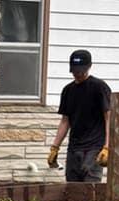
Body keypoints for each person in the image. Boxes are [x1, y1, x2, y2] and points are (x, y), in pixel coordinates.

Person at [47, 49, 111, 181]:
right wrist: (55, 147)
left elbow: (108, 118)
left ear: (89, 66)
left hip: (94, 147)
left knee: (90, 187)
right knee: (72, 187)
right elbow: (65, 121)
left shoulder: (99, 87)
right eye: (75, 71)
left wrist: (107, 146)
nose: (78, 74)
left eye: (81, 71)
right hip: (74, 147)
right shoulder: (68, 90)